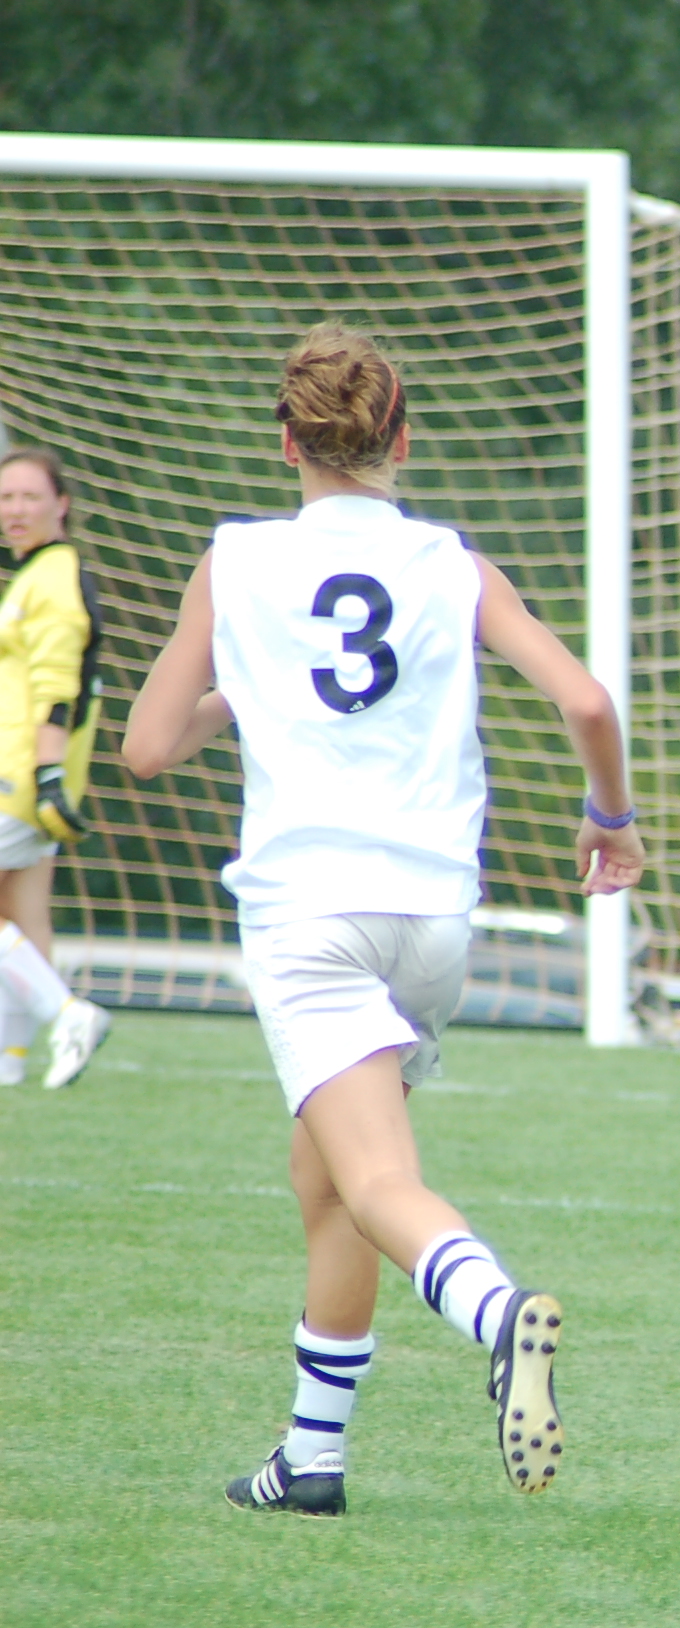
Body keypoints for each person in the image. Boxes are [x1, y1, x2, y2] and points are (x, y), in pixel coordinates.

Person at [122, 321, 645, 1515]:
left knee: (375, 1177)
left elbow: (147, 748)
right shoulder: (451, 564)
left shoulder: (236, 560)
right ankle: (310, 1458)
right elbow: (584, 699)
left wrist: (242, 688)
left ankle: (497, 1313)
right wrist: (609, 818)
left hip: (311, 914)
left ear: (287, 443)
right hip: (432, 919)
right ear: (400, 438)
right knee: (326, 1180)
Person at [0, 442, 115, 1087]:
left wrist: (46, 775)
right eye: (6, 497)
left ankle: (68, 1014)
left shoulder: (55, 574)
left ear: (62, 504)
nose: (15, 510)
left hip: (18, 776)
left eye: (29, 497)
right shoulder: (34, 574)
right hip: (25, 773)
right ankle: (8, 1061)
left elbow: (57, 683)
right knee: (22, 913)